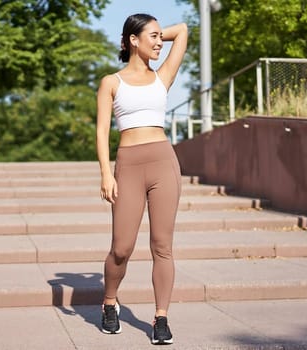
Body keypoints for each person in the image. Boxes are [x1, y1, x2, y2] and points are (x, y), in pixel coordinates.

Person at [95, 13, 188, 345]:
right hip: (128, 165)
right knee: (121, 248)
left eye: (161, 37)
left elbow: (184, 30)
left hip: (163, 163)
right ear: (133, 40)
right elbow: (102, 131)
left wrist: (156, 31)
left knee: (162, 246)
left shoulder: (162, 76)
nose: (160, 42)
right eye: (152, 37)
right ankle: (109, 302)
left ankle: (161, 317)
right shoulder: (111, 82)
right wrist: (106, 173)